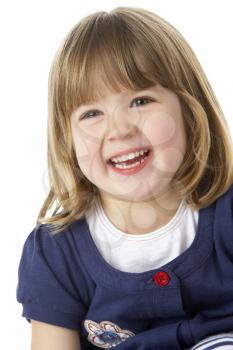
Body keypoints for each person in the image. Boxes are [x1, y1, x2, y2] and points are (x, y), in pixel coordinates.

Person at [16, 6, 233, 350]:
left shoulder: (226, 214)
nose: (119, 129)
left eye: (141, 100)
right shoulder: (56, 253)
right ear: (66, 139)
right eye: (91, 113)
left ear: (191, 111)